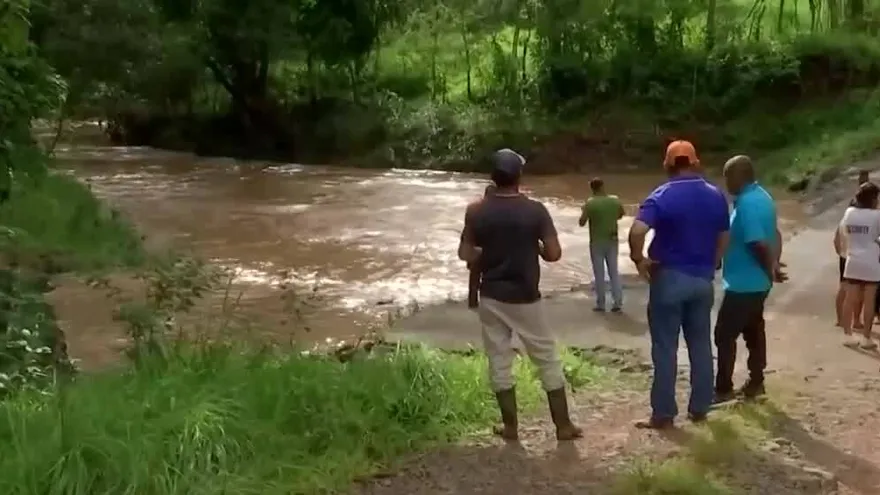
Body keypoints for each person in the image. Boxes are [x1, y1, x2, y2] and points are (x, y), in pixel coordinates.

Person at [458, 148, 582, 441]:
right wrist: (533, 247)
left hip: (490, 294)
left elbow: (465, 252)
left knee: (499, 361)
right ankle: (563, 426)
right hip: (525, 295)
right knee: (546, 358)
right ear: (519, 176)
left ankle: (511, 427)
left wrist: (486, 252)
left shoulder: (476, 211)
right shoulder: (535, 210)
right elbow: (553, 254)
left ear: (493, 176)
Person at [627, 140, 730, 429]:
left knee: (665, 347)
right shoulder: (715, 195)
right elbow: (724, 235)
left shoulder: (662, 195)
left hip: (669, 278)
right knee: (700, 344)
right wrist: (715, 260)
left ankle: (663, 414)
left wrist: (639, 259)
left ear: (668, 164)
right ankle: (699, 408)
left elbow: (637, 230)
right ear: (695, 162)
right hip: (703, 280)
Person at [714, 155, 786, 403]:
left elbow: (756, 242)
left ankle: (723, 389)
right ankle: (756, 382)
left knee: (724, 335)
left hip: (743, 284)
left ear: (738, 176)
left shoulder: (747, 204)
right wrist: (774, 263)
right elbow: (775, 233)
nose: (725, 183)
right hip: (756, 282)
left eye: (727, 177)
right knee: (753, 330)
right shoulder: (763, 197)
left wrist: (770, 268)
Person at [838, 181, 880, 349]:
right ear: (873, 198)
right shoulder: (876, 216)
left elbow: (844, 232)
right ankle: (866, 338)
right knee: (869, 300)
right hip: (871, 261)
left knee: (850, 299)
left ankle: (848, 334)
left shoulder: (849, 213)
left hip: (852, 259)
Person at [578, 177, 626, 312]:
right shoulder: (614, 200)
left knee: (599, 273)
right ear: (603, 186)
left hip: (596, 241)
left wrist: (585, 211)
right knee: (613, 272)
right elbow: (621, 214)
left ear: (591, 188)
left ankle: (601, 304)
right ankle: (617, 302)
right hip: (612, 239)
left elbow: (581, 223)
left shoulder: (590, 203)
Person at [835, 170, 872, 328]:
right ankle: (855, 320)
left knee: (845, 289)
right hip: (856, 255)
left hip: (846, 255)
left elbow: (836, 238)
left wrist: (840, 251)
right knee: (859, 291)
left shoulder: (848, 215)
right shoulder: (867, 214)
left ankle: (843, 320)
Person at [467, 184, 497, 309]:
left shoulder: (474, 209)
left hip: (477, 247)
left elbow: (468, 233)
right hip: (490, 248)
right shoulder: (498, 210)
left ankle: (473, 302)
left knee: (474, 275)